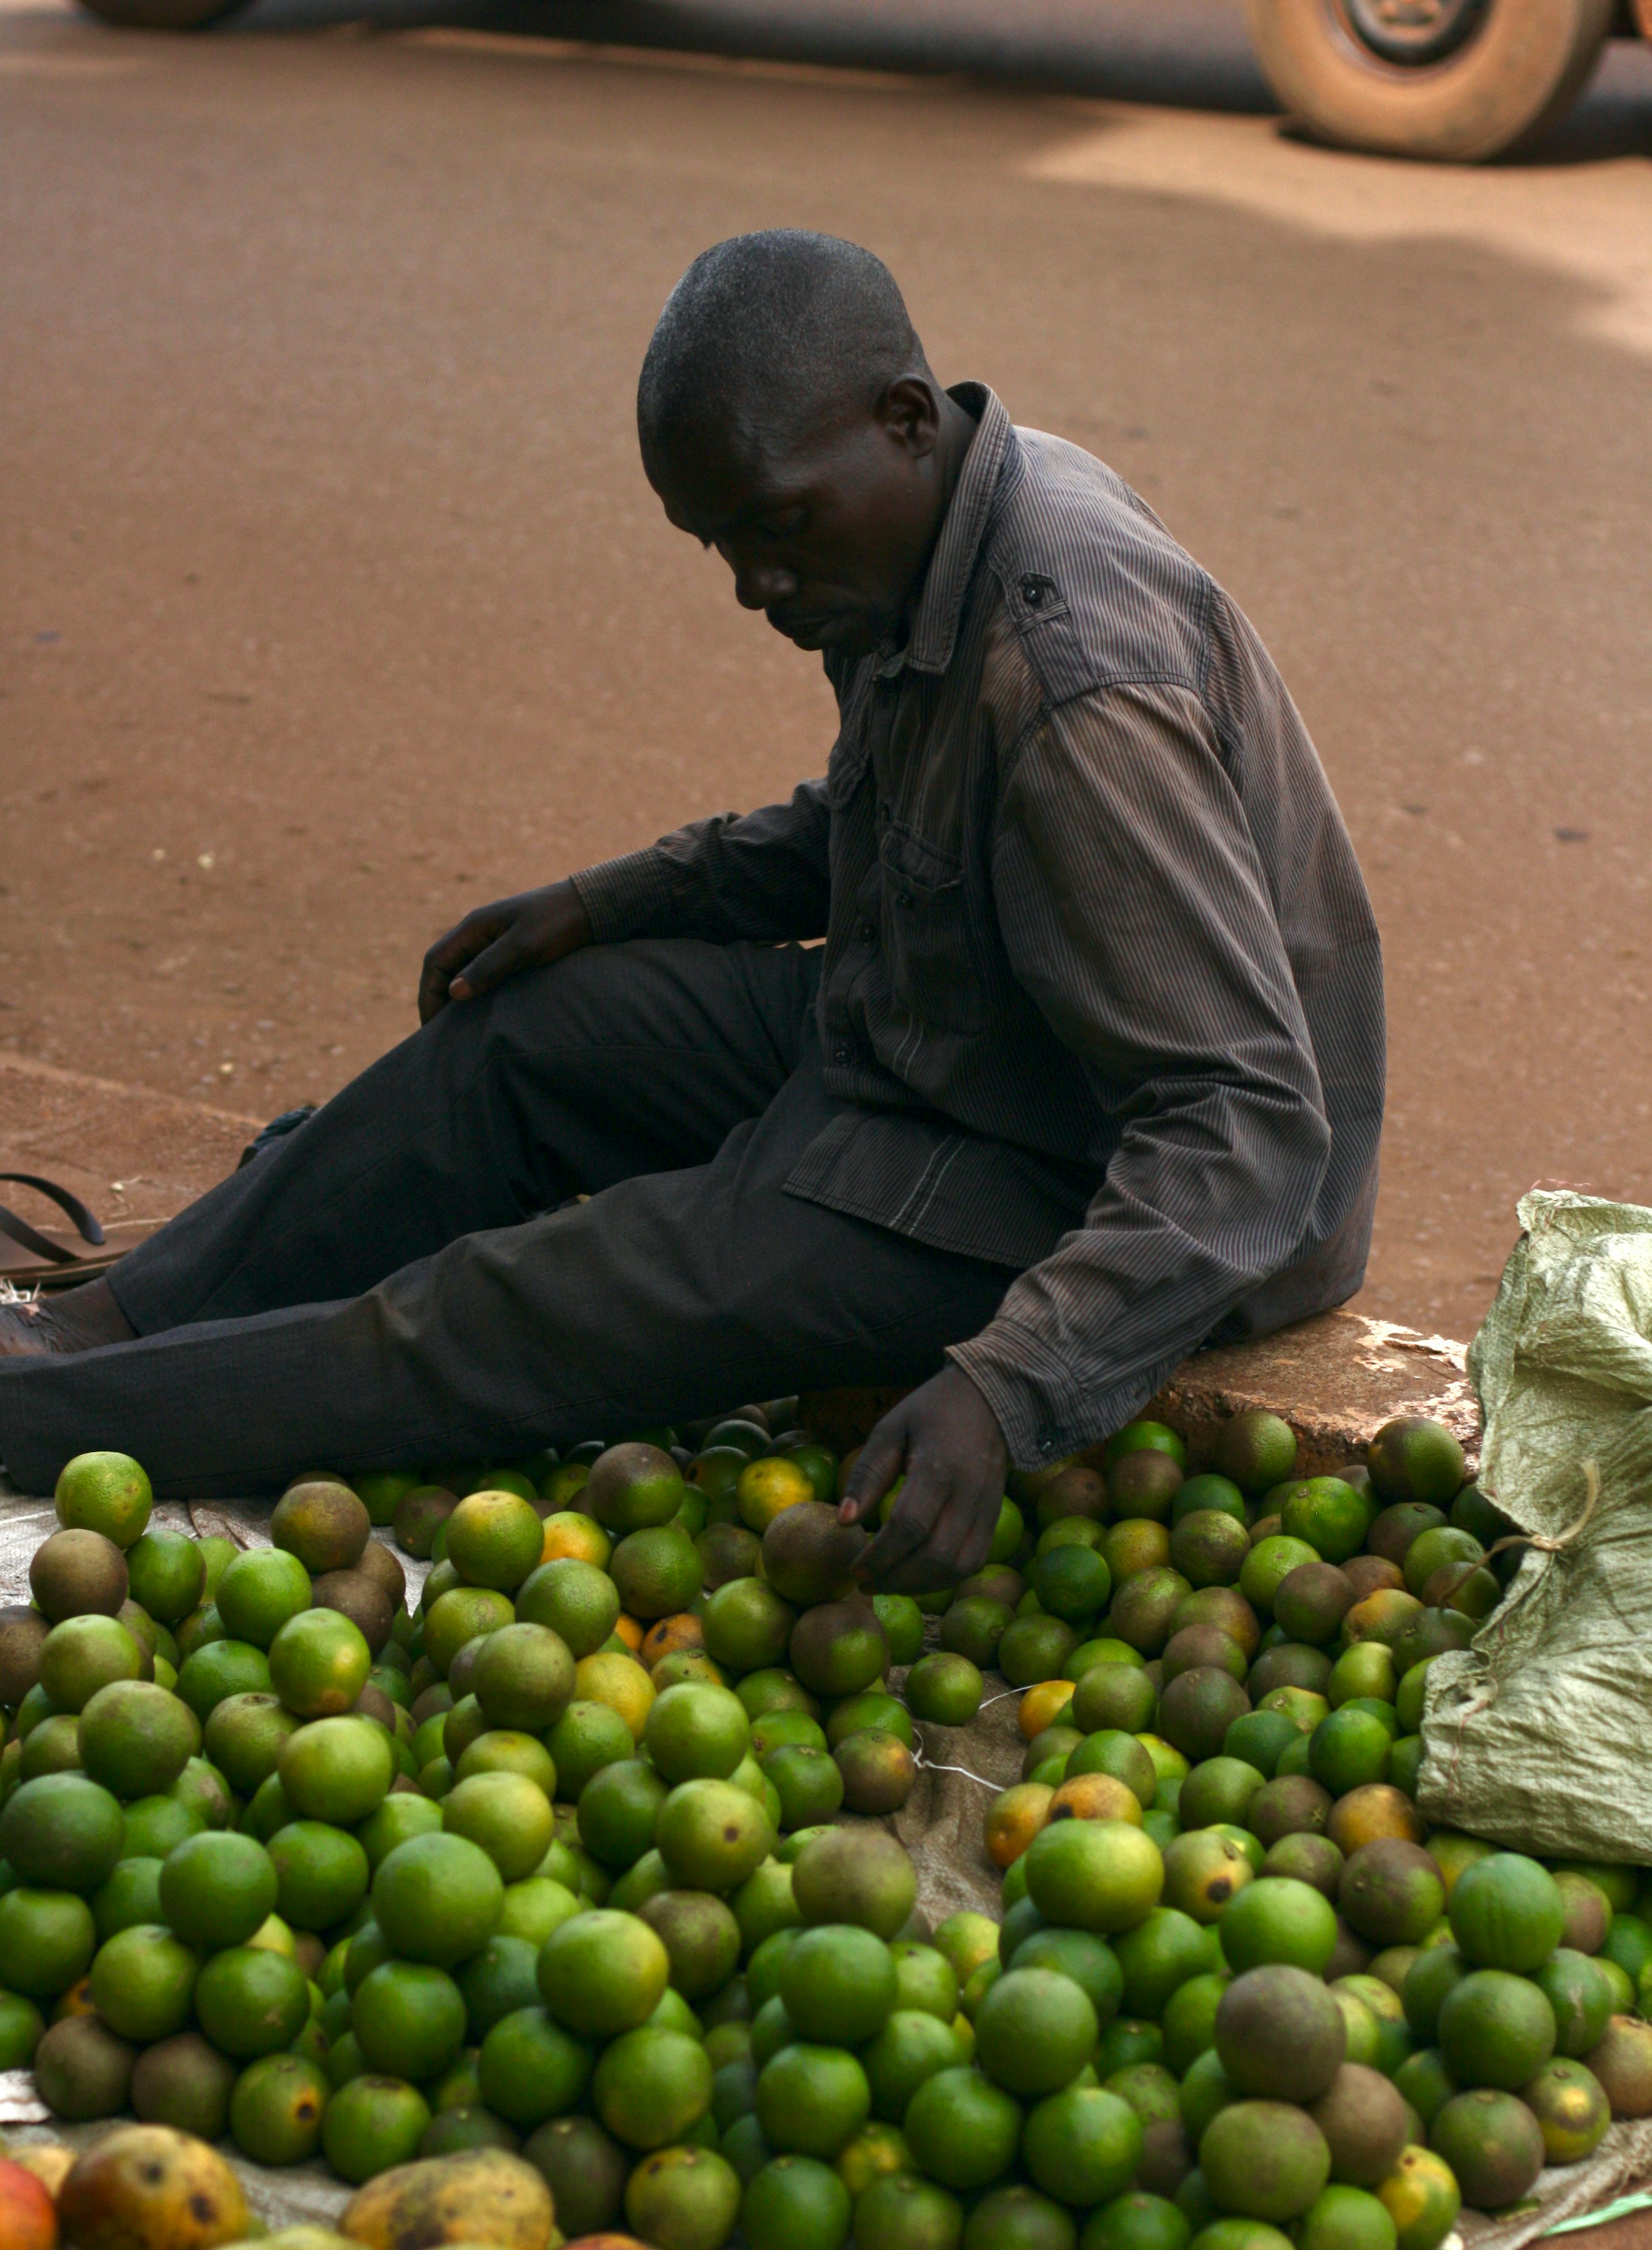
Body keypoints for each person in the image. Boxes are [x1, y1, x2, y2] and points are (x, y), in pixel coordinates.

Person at [0, 230, 1383, 1593]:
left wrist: (1006, 1385)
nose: (752, 585)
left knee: (511, 1306)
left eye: (776, 527)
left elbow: (1243, 1127)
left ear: (904, 420)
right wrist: (614, 901)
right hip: (944, 1020)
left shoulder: (1076, 681)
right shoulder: (941, 512)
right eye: (718, 541)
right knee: (528, 1036)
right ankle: (93, 1325)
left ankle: (32, 1425)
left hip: (1074, 1173)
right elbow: (891, 826)